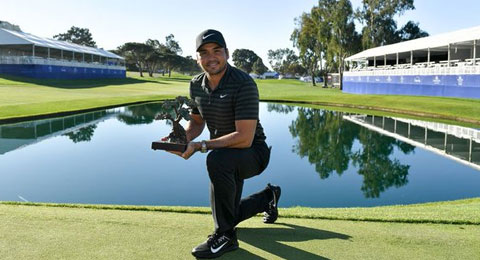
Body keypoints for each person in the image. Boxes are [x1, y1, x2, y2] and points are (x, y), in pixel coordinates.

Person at [167, 29, 281, 259]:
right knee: (230, 212)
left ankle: (226, 236)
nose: (211, 58)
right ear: (197, 59)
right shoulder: (195, 85)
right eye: (204, 53)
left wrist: (201, 146)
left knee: (216, 160)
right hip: (226, 153)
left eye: (216, 51)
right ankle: (268, 197)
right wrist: (181, 139)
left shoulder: (243, 83)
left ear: (227, 53)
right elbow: (197, 123)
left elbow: (244, 137)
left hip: (252, 153)